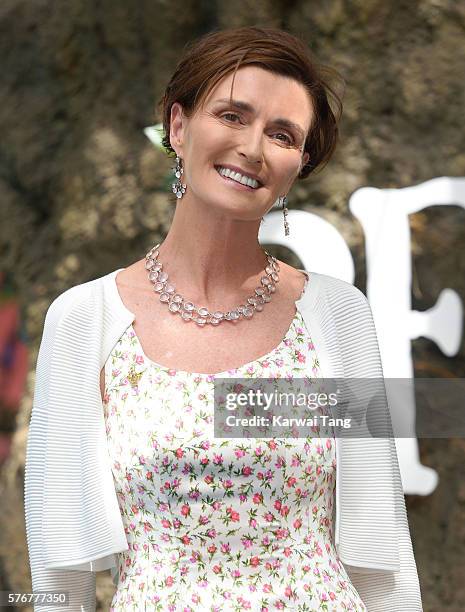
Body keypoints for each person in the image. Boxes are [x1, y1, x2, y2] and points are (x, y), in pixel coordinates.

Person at [25, 26, 423, 611]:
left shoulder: (338, 317)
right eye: (233, 115)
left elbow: (380, 549)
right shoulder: (83, 320)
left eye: (282, 134)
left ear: (299, 164)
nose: (254, 147)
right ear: (178, 126)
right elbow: (59, 574)